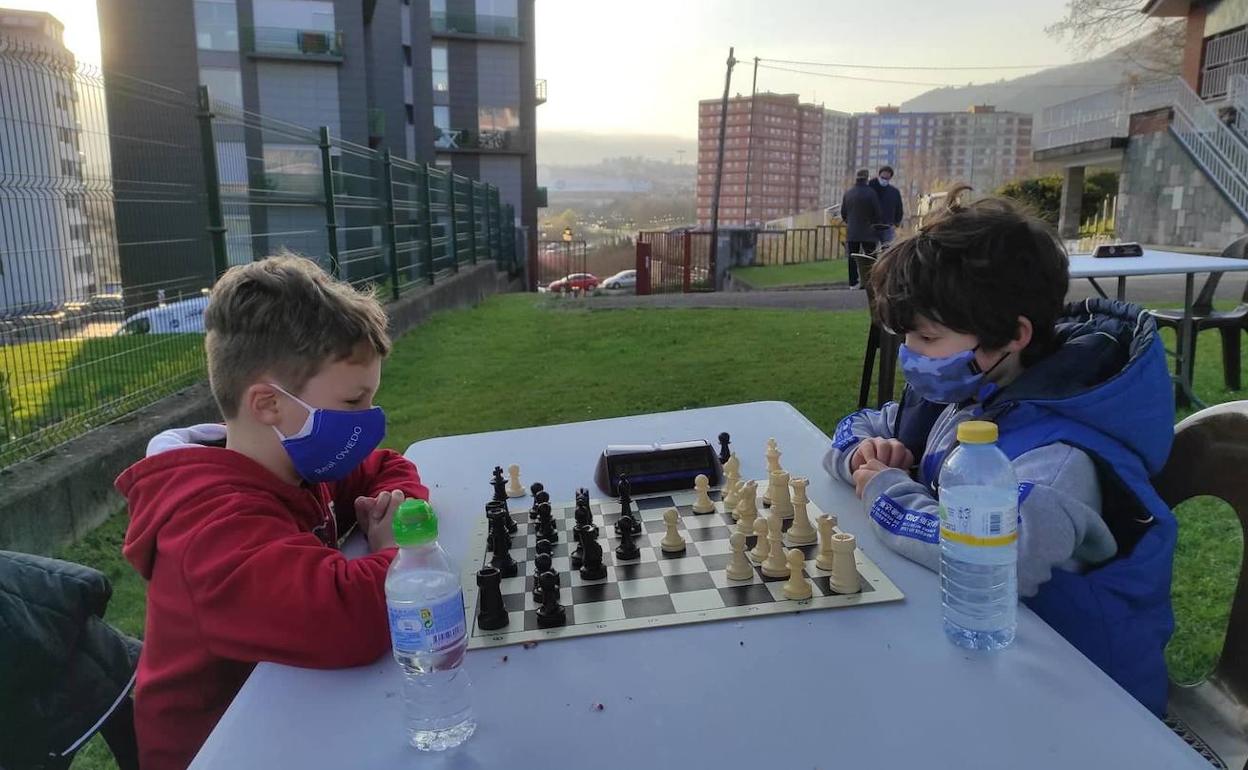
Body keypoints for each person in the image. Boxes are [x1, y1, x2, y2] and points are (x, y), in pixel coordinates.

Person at [822, 185, 1176, 717]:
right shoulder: (968, 392)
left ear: (1012, 335)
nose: (911, 356)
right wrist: (862, 452)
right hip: (995, 655)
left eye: (927, 338)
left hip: (1090, 700)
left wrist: (884, 491)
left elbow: (993, 559)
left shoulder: (1059, 458)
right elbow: (862, 423)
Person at [115, 255, 430, 770]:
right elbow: (352, 618)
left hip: (293, 710)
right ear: (268, 405)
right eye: (354, 401)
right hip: (225, 752)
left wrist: (397, 509)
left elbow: (388, 467)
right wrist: (396, 546)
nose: (369, 420)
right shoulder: (209, 529)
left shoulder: (301, 463)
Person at [840, 168, 883, 288]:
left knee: (852, 257)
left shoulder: (848, 193)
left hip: (852, 231)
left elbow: (843, 213)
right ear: (867, 178)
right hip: (868, 231)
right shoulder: (871, 193)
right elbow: (877, 213)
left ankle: (853, 283)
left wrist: (850, 222)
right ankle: (869, 281)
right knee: (870, 258)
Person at [869, 165, 904, 246]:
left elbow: (899, 208)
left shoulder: (894, 192)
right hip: (871, 226)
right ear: (879, 176)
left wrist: (897, 221)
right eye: (882, 177)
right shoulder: (871, 188)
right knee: (870, 250)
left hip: (887, 226)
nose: (884, 180)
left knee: (887, 249)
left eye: (887, 178)